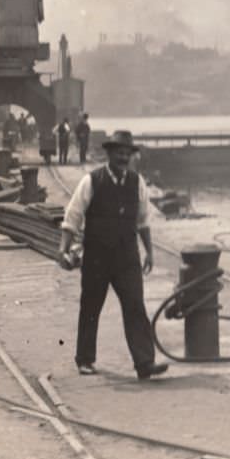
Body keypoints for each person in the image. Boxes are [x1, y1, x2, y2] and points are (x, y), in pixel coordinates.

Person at [58, 130, 168, 381]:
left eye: (127, 153)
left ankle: (144, 363)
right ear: (109, 154)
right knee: (91, 306)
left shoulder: (137, 182)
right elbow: (73, 216)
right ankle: (85, 359)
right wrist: (63, 248)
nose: (123, 157)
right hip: (96, 255)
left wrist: (149, 252)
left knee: (135, 305)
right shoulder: (91, 181)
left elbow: (143, 221)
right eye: (119, 152)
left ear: (131, 156)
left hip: (127, 256)